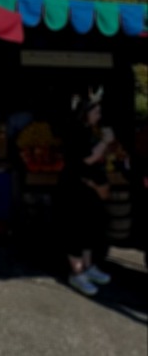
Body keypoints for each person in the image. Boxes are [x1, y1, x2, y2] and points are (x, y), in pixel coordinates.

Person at [57, 89, 113, 296]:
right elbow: (86, 159)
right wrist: (105, 143)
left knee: (89, 228)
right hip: (74, 188)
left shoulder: (91, 131)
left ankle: (88, 267)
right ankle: (77, 272)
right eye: (95, 111)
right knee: (76, 230)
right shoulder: (75, 131)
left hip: (89, 188)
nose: (99, 114)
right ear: (85, 112)